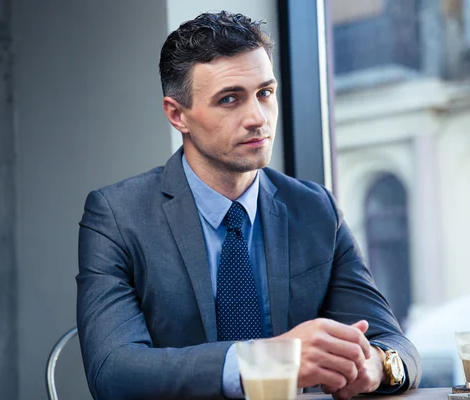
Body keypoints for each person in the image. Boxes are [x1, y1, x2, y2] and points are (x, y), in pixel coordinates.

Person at [76, 10, 421, 400]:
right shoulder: (118, 216)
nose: (257, 118)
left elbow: (394, 342)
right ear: (177, 115)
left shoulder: (315, 209)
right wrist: (271, 359)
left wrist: (375, 364)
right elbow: (113, 371)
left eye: (265, 93)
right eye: (229, 99)